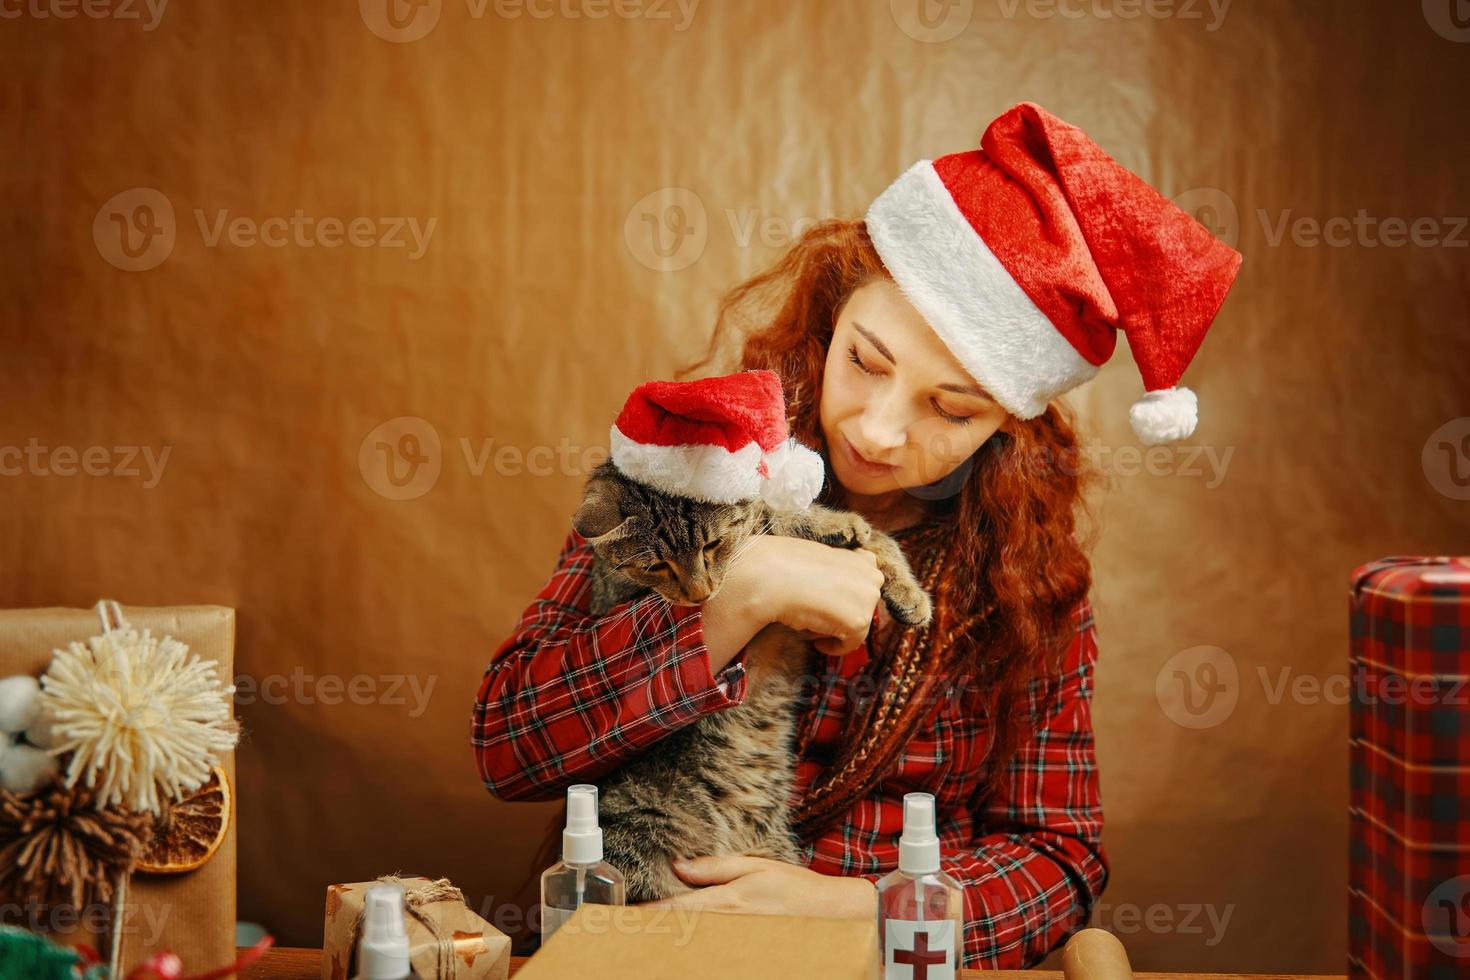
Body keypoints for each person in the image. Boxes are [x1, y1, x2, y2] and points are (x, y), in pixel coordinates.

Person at [471, 101, 1242, 969]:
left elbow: (1060, 859)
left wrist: (857, 909)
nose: (878, 430)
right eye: (865, 362)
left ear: (1007, 423)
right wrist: (742, 591)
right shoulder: (690, 465)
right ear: (830, 320)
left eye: (950, 408)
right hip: (648, 947)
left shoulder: (1032, 578)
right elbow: (508, 746)